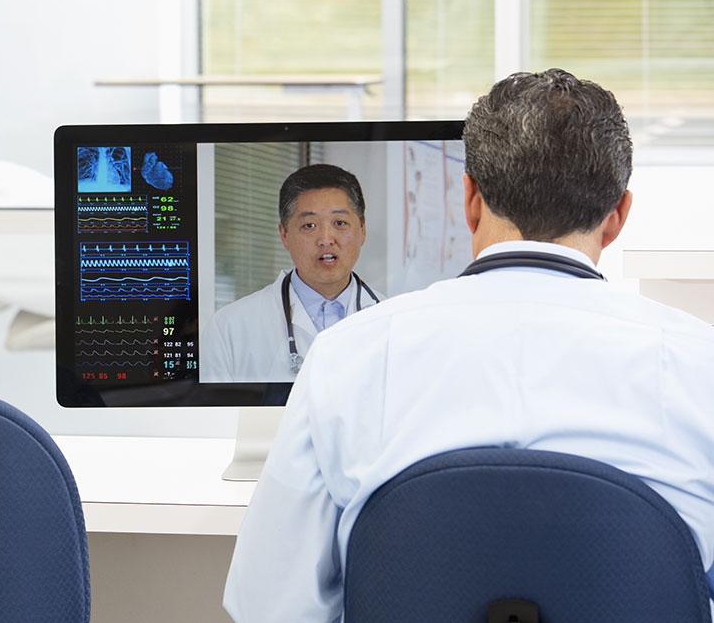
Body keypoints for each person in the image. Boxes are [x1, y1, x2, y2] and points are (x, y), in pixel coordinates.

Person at [222, 69, 714, 621]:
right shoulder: (701, 364)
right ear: (618, 217)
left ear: (470, 199)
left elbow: (267, 605)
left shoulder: (345, 355)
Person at [199, 164, 379, 383]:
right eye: (309, 225)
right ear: (284, 235)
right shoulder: (229, 328)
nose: (326, 239)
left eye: (339, 223)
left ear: (362, 229)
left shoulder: (398, 323)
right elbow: (215, 416)